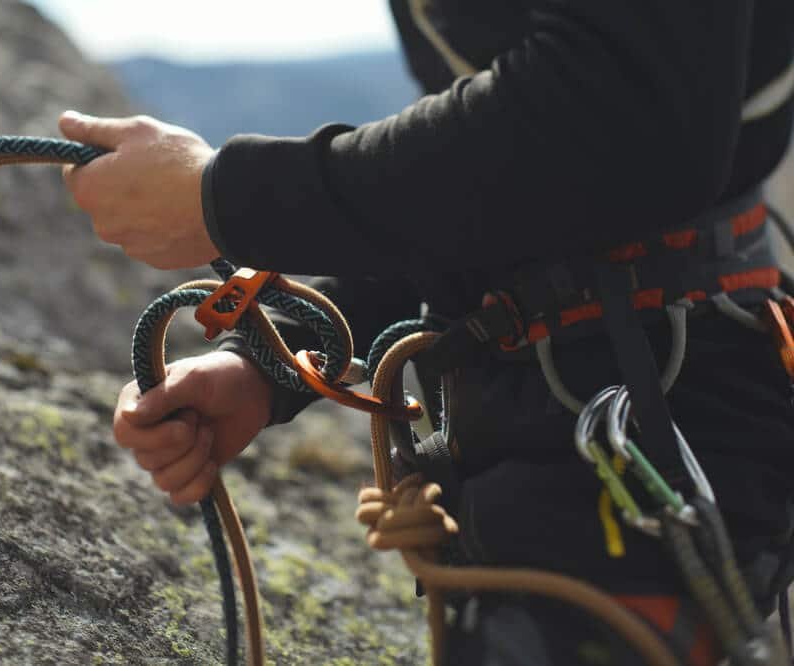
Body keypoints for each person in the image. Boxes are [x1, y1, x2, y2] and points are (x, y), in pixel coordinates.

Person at [59, 1, 794, 663]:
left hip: (645, 424)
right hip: (595, 417)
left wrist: (227, 198)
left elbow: (627, 113)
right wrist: (269, 359)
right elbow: (494, 172)